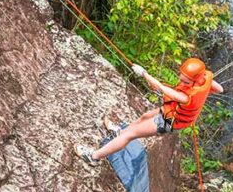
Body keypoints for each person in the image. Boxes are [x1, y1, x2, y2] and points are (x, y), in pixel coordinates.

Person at [76, 57, 224, 166]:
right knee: (145, 116)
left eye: (186, 81)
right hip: (172, 110)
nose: (182, 82)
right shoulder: (204, 79)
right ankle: (118, 133)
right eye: (181, 78)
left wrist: (144, 74)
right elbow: (219, 89)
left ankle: (93, 157)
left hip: (171, 120)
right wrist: (206, 86)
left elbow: (162, 88)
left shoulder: (185, 97)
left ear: (195, 80)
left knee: (130, 134)